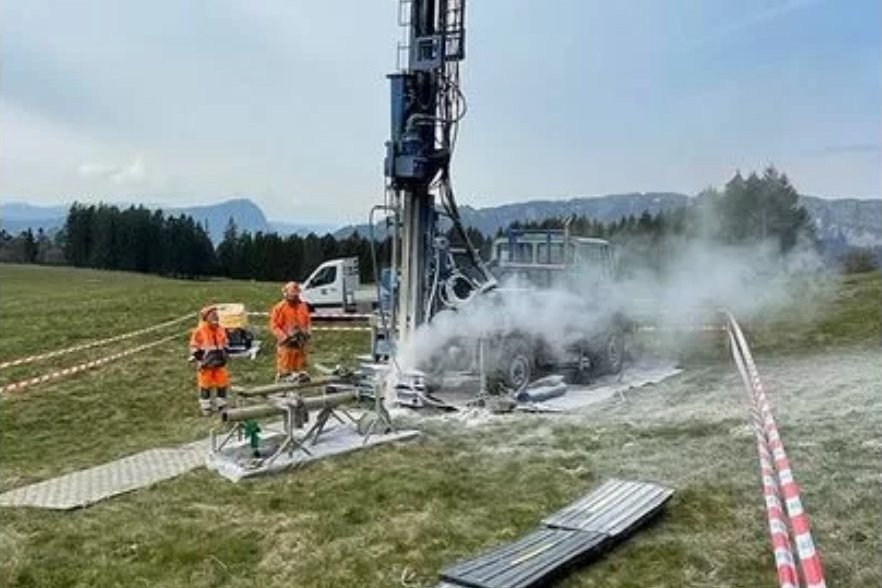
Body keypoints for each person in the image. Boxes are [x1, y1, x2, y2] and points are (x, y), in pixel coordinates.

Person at [188, 305, 230, 415]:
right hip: (206, 364)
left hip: (220, 362)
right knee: (205, 385)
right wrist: (200, 358)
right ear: (206, 317)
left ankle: (221, 404)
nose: (216, 318)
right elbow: (194, 346)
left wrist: (225, 351)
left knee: (222, 383)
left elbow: (225, 341)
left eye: (217, 315)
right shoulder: (199, 331)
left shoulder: (221, 329)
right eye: (213, 315)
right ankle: (206, 407)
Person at [269, 281, 312, 381]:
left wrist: (307, 333)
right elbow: (274, 326)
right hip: (286, 345)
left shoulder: (303, 306)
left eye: (296, 293)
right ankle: (281, 390)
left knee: (299, 369)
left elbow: (307, 321)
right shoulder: (279, 308)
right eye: (292, 293)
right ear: (286, 293)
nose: (294, 295)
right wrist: (285, 337)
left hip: (300, 344)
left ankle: (296, 390)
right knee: (284, 371)